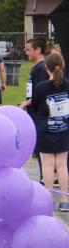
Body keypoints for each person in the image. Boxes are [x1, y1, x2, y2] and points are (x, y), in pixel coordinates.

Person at [30, 52, 69, 212]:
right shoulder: (67, 85)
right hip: (64, 129)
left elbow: (35, 106)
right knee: (62, 165)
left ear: (46, 68)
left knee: (47, 165)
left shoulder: (41, 87)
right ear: (63, 66)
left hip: (45, 130)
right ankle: (65, 201)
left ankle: (49, 200)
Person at [20, 38, 48, 181]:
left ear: (38, 50)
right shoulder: (37, 67)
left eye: (28, 49)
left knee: (42, 149)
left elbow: (41, 92)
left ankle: (45, 178)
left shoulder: (41, 68)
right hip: (34, 112)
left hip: (39, 114)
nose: (26, 52)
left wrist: (27, 102)